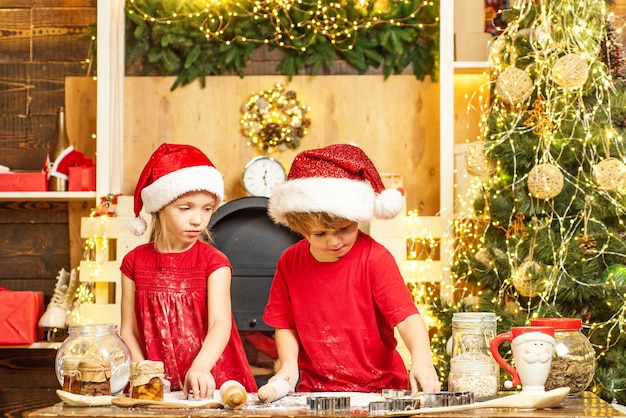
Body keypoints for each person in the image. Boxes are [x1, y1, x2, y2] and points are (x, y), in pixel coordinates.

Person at [263, 143, 441, 394]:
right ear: (300, 228)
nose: (334, 241)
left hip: (380, 388)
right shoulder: (290, 262)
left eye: (344, 229)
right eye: (320, 233)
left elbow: (406, 317)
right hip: (316, 390)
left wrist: (422, 359)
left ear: (358, 217)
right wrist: (289, 367)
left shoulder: (375, 259)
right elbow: (285, 324)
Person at [120, 143, 257, 399]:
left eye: (207, 209)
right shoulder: (133, 262)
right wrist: (144, 374)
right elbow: (128, 329)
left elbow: (220, 322)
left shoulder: (213, 261)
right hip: (155, 383)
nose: (198, 219)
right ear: (160, 207)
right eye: (186, 208)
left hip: (212, 378)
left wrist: (201, 367)